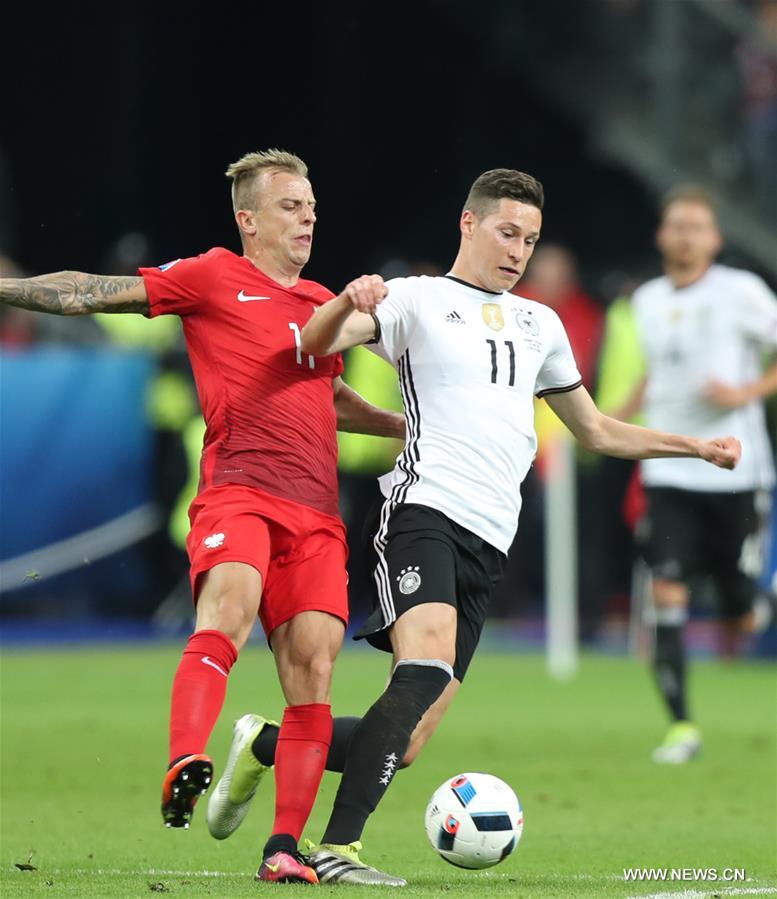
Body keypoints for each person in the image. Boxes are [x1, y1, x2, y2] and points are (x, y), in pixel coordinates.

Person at [209, 168, 742, 884]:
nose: (518, 250)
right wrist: (346, 301)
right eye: (506, 232)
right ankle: (337, 848)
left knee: (413, 734)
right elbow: (310, 342)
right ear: (468, 224)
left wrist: (694, 446)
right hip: (423, 509)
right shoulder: (416, 301)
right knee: (422, 666)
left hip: (489, 539)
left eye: (529, 238)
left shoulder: (539, 324)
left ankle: (266, 743)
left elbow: (593, 430)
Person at [0, 148, 405, 885]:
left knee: (314, 671)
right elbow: (91, 292)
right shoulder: (212, 274)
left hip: (315, 511)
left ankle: (283, 846)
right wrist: (5, 287)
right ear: (247, 220)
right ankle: (187, 754)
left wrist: (404, 429)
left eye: (311, 205)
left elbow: (329, 398)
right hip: (240, 490)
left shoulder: (319, 299)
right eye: (290, 205)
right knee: (230, 608)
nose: (308, 215)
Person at [627, 185, 777, 763]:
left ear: (715, 238)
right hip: (671, 468)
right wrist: (609, 416)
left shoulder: (741, 292)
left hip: (737, 474)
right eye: (677, 225)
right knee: (667, 587)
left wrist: (745, 391)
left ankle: (751, 605)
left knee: (737, 604)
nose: (686, 235)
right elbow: (658, 375)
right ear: (662, 235)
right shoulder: (646, 300)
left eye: (697, 226)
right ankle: (681, 726)